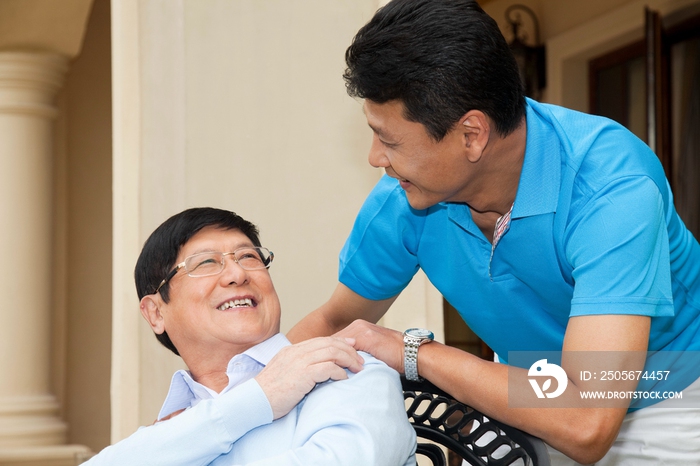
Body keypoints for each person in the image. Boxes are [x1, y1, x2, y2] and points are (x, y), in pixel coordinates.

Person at [287, 0, 700, 464]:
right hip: (534, 388)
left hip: (668, 396)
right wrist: (226, 405)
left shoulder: (611, 188)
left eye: (390, 140)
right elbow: (332, 324)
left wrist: (413, 353)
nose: (375, 158)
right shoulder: (405, 199)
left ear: (472, 134)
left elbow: (587, 420)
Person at [85, 207, 416, 465]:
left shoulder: (344, 368)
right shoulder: (172, 425)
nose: (237, 273)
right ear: (156, 312)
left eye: (248, 256)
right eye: (205, 263)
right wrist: (257, 400)